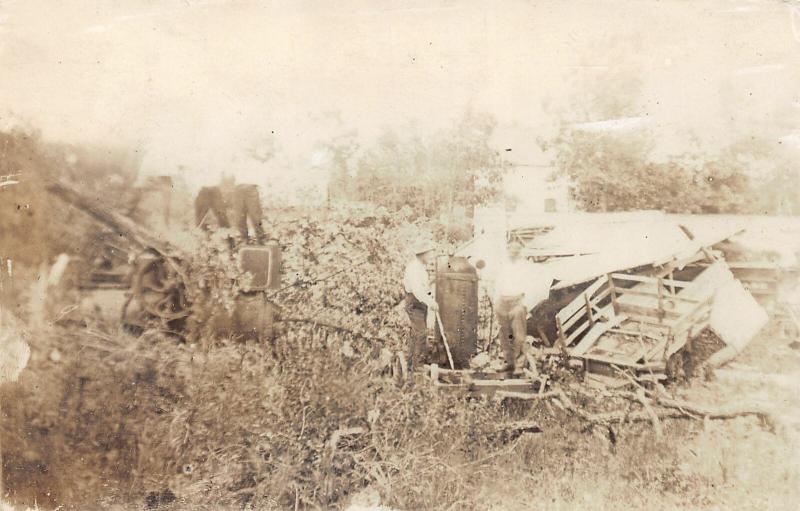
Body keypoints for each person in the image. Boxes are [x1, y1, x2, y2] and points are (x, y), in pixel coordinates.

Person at [493, 239, 552, 372]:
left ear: (520, 252)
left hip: (517, 302)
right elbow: (498, 284)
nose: (513, 252)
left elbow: (535, 286)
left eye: (516, 250)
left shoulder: (526, 267)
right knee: (505, 334)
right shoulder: (503, 265)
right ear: (507, 251)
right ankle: (509, 363)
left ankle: (519, 365)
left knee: (518, 335)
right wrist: (496, 301)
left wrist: (525, 304)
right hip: (502, 302)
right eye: (511, 250)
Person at [403, 240, 439, 381]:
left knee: (416, 334)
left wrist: (431, 296)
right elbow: (418, 291)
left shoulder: (421, 268)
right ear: (422, 254)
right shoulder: (414, 269)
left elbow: (425, 289)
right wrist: (430, 302)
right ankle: (417, 367)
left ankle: (411, 364)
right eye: (428, 254)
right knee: (421, 333)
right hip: (414, 303)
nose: (430, 256)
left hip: (420, 303)